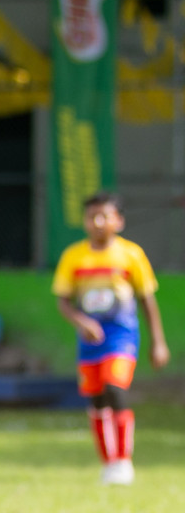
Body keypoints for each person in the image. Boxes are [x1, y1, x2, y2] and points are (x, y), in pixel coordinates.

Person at [52, 192, 170, 485]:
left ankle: (123, 461)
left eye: (104, 216)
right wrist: (81, 321)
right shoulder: (73, 256)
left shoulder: (131, 255)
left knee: (115, 388)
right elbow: (64, 301)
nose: (98, 222)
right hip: (90, 337)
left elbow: (147, 300)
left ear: (119, 221)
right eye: (92, 216)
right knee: (97, 399)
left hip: (122, 335)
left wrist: (158, 342)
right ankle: (108, 462)